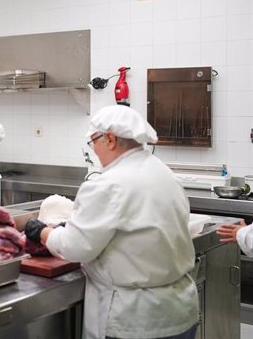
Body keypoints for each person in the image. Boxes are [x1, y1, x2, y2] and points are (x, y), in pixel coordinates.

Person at [24, 105, 198, 339]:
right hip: (180, 311)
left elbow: (75, 248)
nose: (94, 150)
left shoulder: (108, 184)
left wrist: (42, 232)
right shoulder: (163, 173)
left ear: (111, 139)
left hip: (135, 319)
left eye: (94, 142)